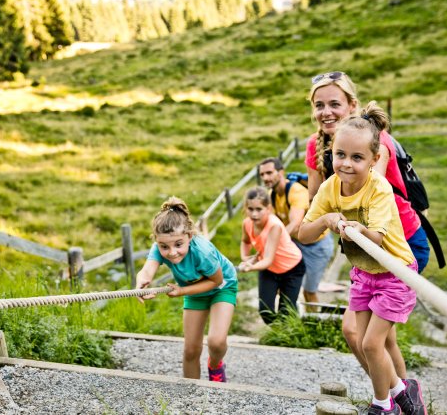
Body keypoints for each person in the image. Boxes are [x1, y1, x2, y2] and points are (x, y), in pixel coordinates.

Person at [305, 71, 428, 414]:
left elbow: (373, 190)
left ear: (352, 106)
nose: (327, 111)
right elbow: (315, 199)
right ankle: (399, 396)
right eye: (319, 105)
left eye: (335, 103)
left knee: (368, 337)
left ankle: (393, 401)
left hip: (396, 245)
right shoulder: (318, 147)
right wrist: (319, 220)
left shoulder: (375, 144)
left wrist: (345, 224)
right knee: (373, 339)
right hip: (362, 253)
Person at [136, 196, 237, 383]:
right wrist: (141, 283)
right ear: (156, 241)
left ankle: (215, 365)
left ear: (189, 236)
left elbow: (216, 280)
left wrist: (181, 292)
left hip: (221, 287)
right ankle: (192, 393)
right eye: (164, 246)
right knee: (190, 349)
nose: (172, 252)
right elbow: (147, 271)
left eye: (178, 244)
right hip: (194, 292)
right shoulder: (159, 249)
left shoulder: (202, 252)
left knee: (216, 342)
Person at [258, 157, 334, 312]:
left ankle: (313, 324)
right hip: (296, 244)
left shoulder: (296, 191)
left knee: (309, 291)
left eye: (269, 173)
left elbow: (295, 224)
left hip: (316, 246)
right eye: (262, 174)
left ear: (281, 172)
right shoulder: (271, 194)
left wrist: (273, 242)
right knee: (285, 286)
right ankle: (291, 321)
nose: (265, 178)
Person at [238, 186, 305, 324]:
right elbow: (245, 242)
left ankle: (289, 334)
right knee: (265, 311)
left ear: (268, 209)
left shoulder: (274, 225)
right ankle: (279, 332)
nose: (254, 214)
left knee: (285, 312)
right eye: (250, 209)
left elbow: (268, 259)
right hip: (269, 270)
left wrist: (250, 267)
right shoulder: (247, 223)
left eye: (259, 209)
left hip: (292, 268)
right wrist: (245, 258)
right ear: (246, 208)